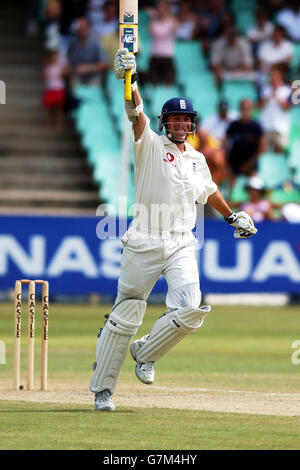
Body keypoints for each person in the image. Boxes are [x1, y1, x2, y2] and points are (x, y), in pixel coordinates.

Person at [89, 48, 258, 412]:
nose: (181, 125)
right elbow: (136, 113)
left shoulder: (197, 159)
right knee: (127, 313)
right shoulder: (149, 144)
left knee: (190, 309)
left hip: (182, 241)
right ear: (166, 122)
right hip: (145, 239)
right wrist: (129, 79)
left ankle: (146, 354)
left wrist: (232, 216)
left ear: (192, 124)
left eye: (186, 120)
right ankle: (103, 390)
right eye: (175, 119)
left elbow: (209, 191)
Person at [225, 99, 264, 190]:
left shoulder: (256, 126)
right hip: (234, 163)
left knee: (255, 186)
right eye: (243, 108)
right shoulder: (233, 125)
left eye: (247, 108)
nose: (245, 110)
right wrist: (227, 165)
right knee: (228, 187)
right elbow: (226, 146)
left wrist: (249, 164)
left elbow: (261, 148)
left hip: (251, 165)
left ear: (251, 109)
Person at [258, 64, 292, 152]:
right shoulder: (265, 89)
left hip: (280, 128)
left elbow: (286, 107)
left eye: (274, 75)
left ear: (280, 76)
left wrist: (276, 95)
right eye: (271, 75)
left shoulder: (287, 90)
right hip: (265, 127)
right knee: (262, 149)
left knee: (279, 150)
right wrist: (269, 95)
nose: (272, 77)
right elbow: (260, 106)